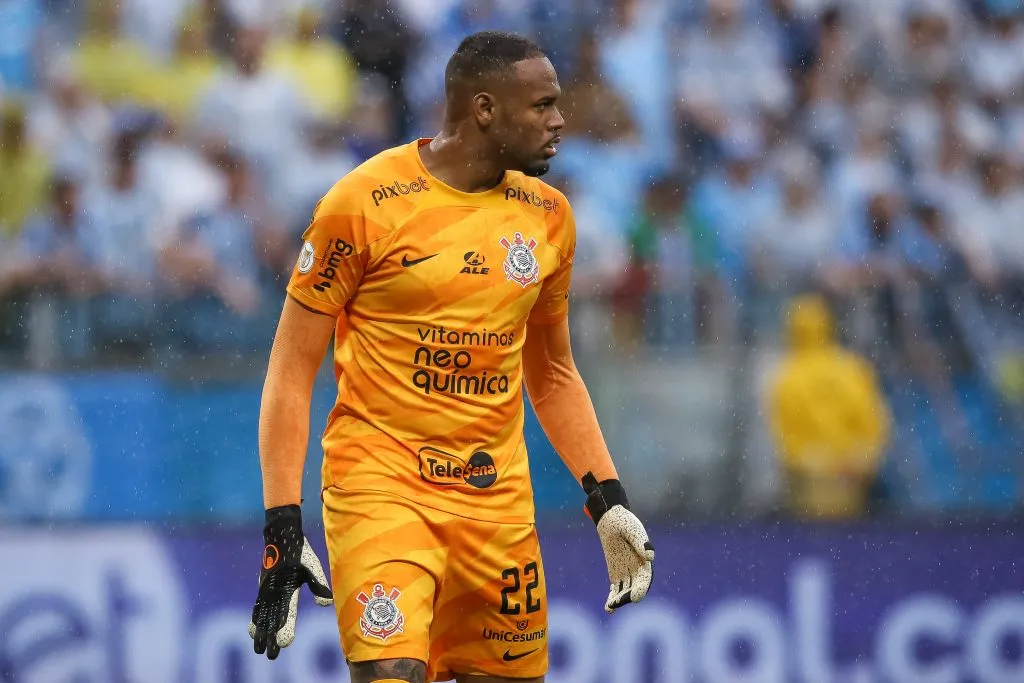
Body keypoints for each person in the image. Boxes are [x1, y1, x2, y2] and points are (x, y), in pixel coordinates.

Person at [247, 32, 655, 683]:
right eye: (543, 105)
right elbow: (291, 372)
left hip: (495, 504)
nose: (559, 122)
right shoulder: (362, 202)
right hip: (382, 486)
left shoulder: (549, 217)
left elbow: (550, 374)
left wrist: (607, 498)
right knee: (393, 672)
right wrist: (281, 524)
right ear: (485, 109)